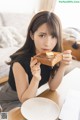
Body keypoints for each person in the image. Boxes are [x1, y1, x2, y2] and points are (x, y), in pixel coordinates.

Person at [0, 11, 72, 112]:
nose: (47, 43)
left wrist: (63, 66)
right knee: (9, 117)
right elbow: (24, 100)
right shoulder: (19, 62)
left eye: (53, 36)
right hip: (9, 100)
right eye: (42, 35)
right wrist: (36, 78)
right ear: (32, 35)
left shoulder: (51, 56)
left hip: (31, 96)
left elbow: (52, 86)